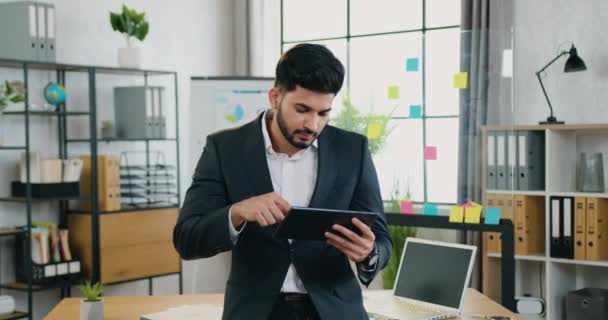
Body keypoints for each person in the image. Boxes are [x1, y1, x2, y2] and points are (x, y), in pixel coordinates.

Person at [174, 43, 392, 320]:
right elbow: (186, 238)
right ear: (275, 97)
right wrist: (237, 212)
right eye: (302, 109)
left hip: (335, 312)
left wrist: (368, 252)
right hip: (256, 312)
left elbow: (382, 239)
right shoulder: (224, 149)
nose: (312, 125)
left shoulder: (352, 150)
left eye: (323, 113)